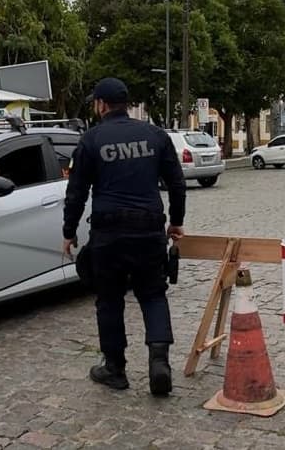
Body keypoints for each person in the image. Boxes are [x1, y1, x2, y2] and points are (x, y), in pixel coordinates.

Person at [62, 77, 186, 396]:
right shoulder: (155, 135)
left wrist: (68, 232)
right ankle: (160, 363)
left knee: (110, 300)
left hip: (109, 234)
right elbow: (176, 182)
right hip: (148, 229)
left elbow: (76, 192)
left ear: (102, 105)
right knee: (153, 295)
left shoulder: (91, 140)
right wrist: (176, 223)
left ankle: (115, 369)